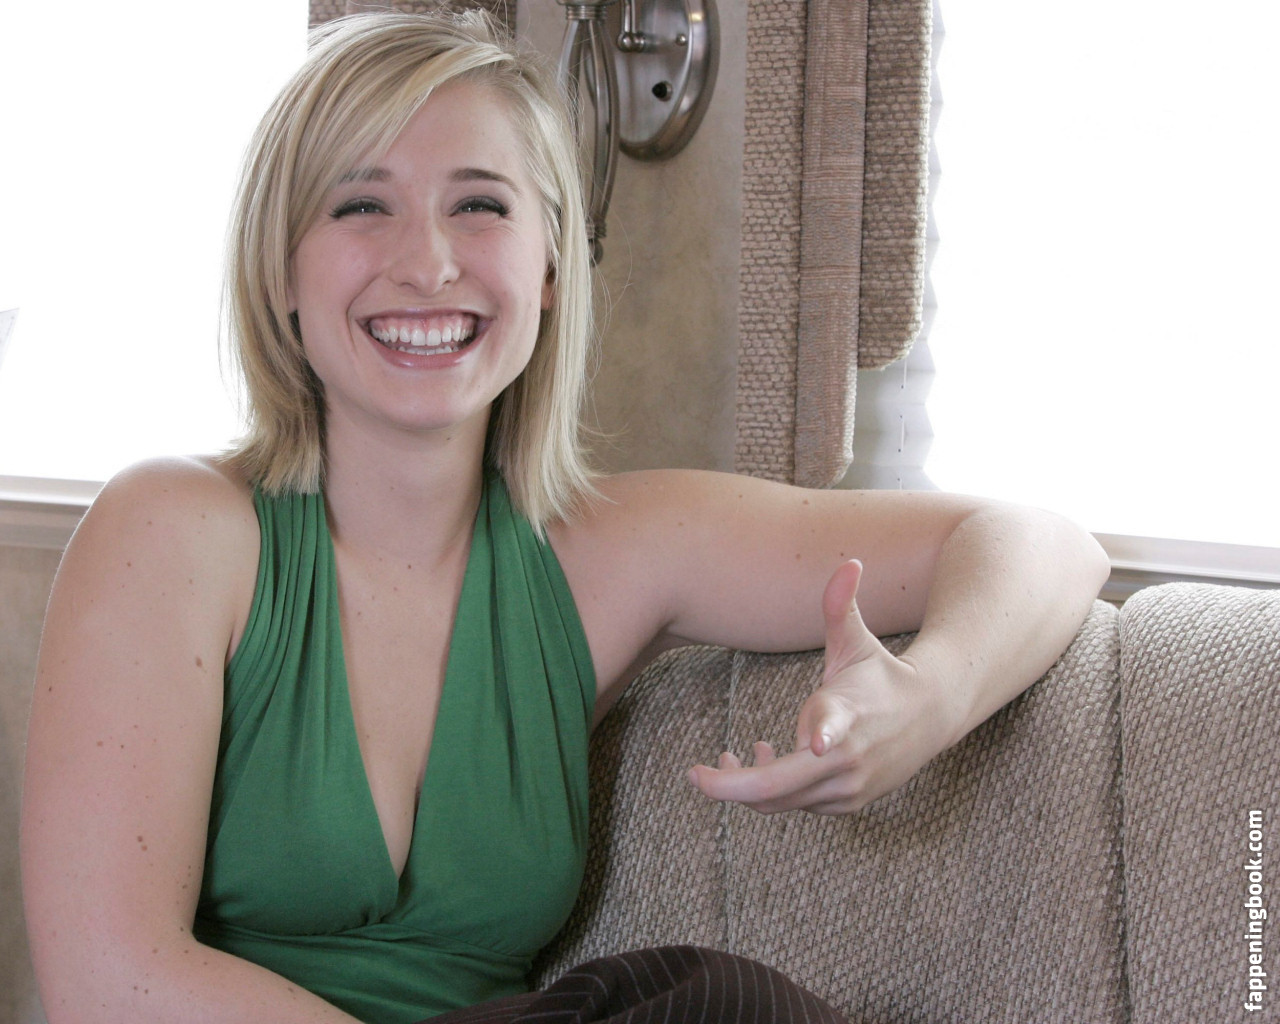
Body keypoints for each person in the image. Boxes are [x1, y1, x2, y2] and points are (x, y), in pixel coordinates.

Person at [19, 10, 1109, 1024]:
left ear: (547, 265)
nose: (427, 262)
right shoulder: (174, 532)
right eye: (360, 205)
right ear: (280, 272)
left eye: (480, 205)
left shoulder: (601, 554)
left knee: (716, 1001)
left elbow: (1040, 544)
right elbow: (107, 983)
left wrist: (928, 698)